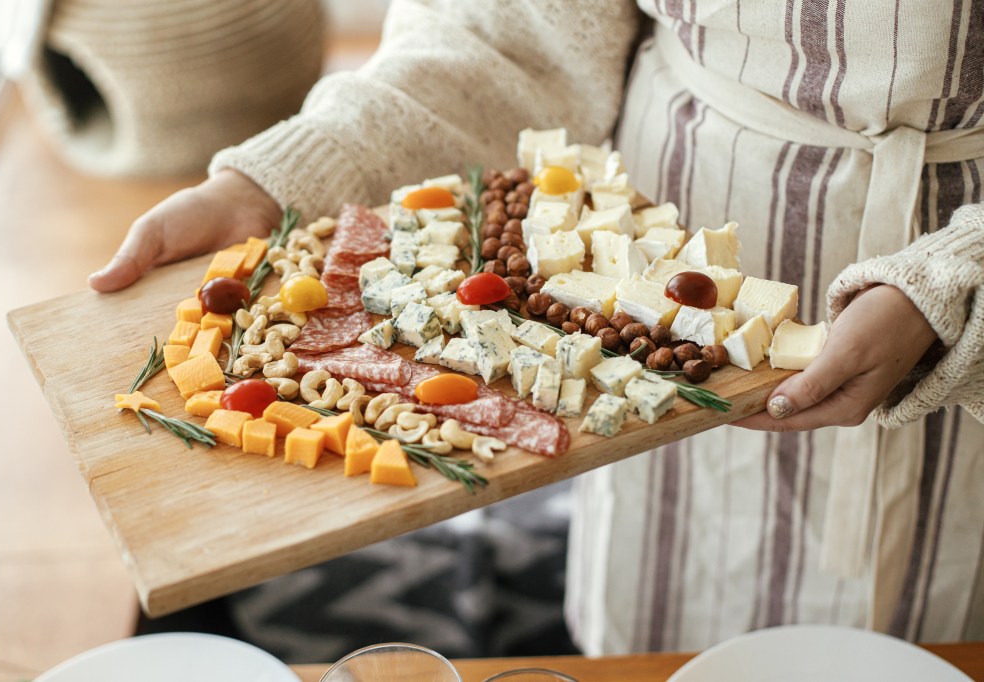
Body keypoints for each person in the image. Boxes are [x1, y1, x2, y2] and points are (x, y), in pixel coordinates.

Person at [88, 1, 984, 652]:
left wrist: (953, 290)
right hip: (645, 262)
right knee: (670, 620)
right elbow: (507, 30)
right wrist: (275, 183)